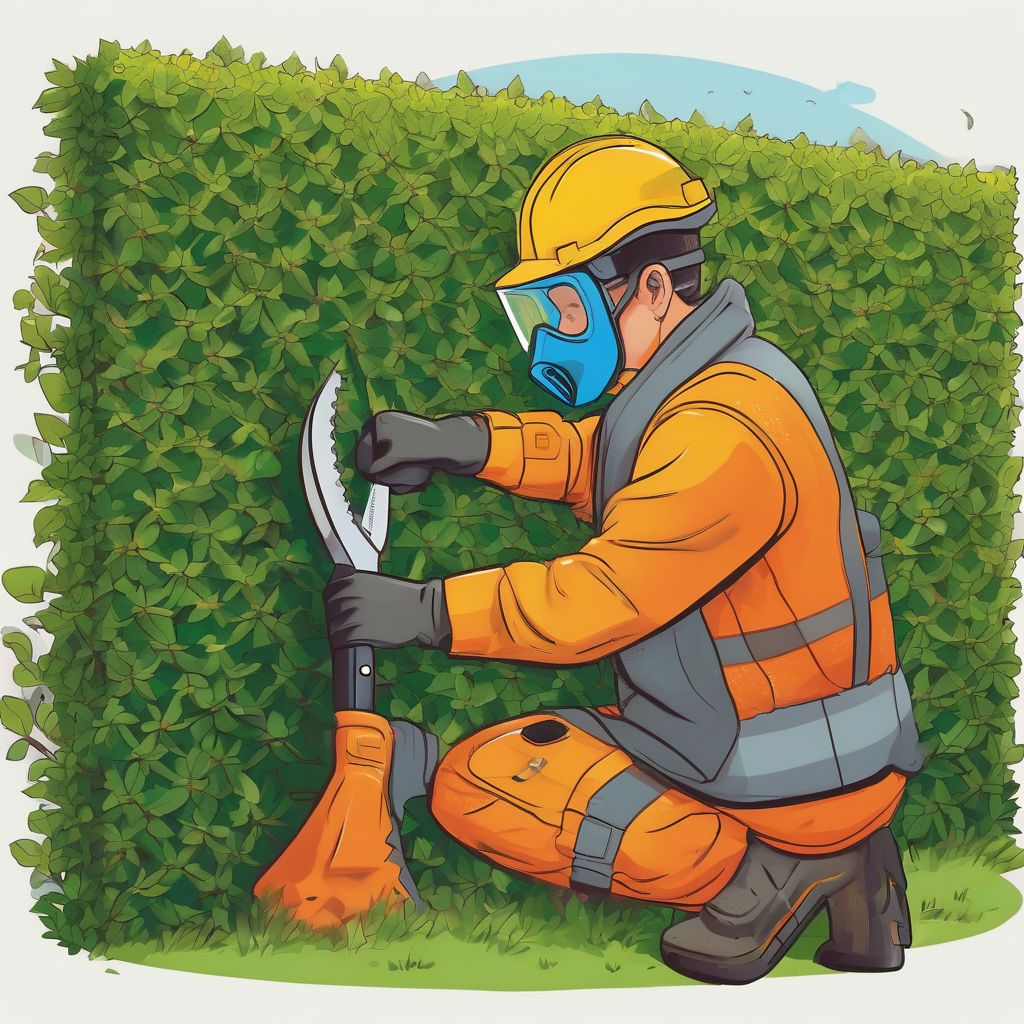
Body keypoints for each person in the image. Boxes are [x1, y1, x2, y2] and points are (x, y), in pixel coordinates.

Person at [324, 135, 923, 984]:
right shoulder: (719, 383)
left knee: (483, 783)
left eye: (564, 309)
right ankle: (832, 856)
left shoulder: (722, 430)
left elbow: (601, 599)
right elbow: (602, 458)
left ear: (648, 289)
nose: (548, 340)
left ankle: (784, 869)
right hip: (793, 759)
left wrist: (425, 612)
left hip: (775, 780)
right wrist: (466, 443)